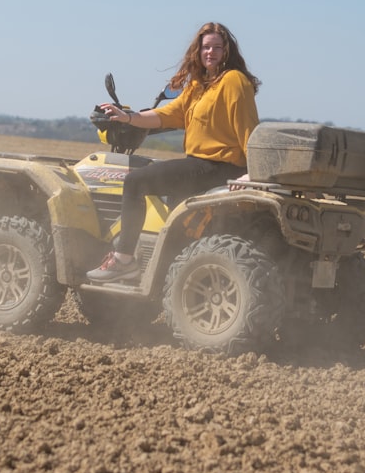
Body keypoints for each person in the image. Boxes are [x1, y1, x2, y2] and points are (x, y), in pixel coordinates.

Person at [86, 22, 261, 282]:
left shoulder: (234, 81)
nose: (210, 52)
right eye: (205, 47)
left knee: (135, 182)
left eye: (216, 47)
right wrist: (128, 117)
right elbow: (168, 114)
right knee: (175, 221)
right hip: (201, 165)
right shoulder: (199, 85)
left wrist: (252, 173)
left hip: (218, 166)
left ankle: (123, 259)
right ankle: (168, 277)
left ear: (227, 51)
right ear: (198, 51)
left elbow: (248, 127)